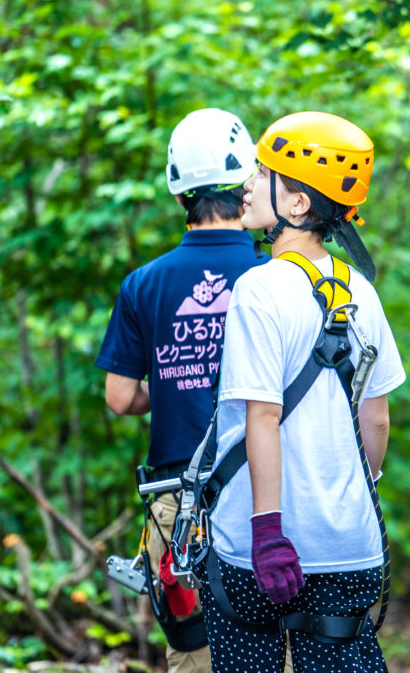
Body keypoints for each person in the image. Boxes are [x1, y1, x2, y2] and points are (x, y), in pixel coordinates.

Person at [201, 112, 406, 672]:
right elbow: (378, 419)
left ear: (296, 205)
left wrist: (268, 533)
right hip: (348, 544)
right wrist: (346, 491)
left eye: (263, 172)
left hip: (259, 547)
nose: (245, 184)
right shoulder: (361, 290)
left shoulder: (259, 288)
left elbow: (261, 417)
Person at [96, 107, 266, 673]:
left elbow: (120, 398)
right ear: (247, 189)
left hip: (179, 499)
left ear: (179, 197)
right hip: (267, 490)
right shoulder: (275, 275)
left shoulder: (143, 284)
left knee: (195, 656)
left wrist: (171, 387)